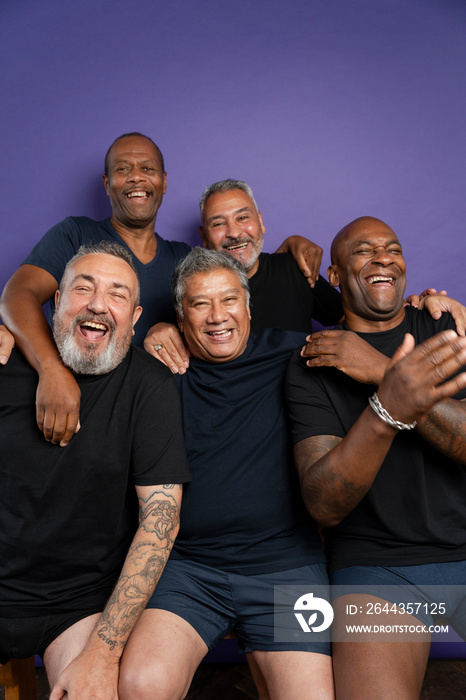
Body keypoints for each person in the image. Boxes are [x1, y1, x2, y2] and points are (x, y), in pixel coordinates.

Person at [0, 137, 323, 447]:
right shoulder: (76, 234)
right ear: (106, 182)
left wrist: (285, 258)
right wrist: (51, 370)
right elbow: (17, 295)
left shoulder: (183, 258)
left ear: (164, 182)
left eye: (148, 169)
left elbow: (234, 298)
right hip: (75, 399)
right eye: (123, 169)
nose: (136, 178)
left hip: (152, 412)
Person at [117, 247, 335, 700]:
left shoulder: (296, 353)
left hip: (286, 567)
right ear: (180, 316)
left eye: (229, 300)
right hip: (188, 570)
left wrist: (428, 308)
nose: (217, 316)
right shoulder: (161, 371)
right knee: (141, 686)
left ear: (248, 306)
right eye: (200, 304)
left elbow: (376, 337)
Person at [0, 242, 190, 700]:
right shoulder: (5, 363)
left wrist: (103, 653)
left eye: (117, 295)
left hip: (81, 604)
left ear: (136, 315)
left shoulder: (151, 384)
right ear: (55, 303)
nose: (99, 304)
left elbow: (160, 523)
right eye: (82, 289)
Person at [286, 216, 466, 700]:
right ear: (337, 276)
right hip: (376, 566)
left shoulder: (446, 327)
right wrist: (390, 406)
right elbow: (324, 504)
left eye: (393, 248)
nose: (384, 257)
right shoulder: (314, 361)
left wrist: (381, 371)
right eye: (364, 251)